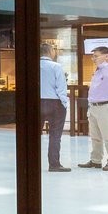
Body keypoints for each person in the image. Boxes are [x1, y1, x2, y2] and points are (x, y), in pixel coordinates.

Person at [80, 46, 108, 172]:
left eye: (96, 56)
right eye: (93, 56)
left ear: (106, 56)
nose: (93, 59)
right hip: (94, 107)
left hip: (106, 107)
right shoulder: (97, 71)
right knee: (95, 136)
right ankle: (96, 160)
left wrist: (103, 65)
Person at [39, 43, 70, 173]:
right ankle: (54, 164)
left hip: (37, 103)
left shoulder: (32, 66)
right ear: (50, 52)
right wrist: (64, 103)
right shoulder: (56, 66)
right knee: (55, 136)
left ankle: (31, 164)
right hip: (55, 103)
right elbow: (61, 87)